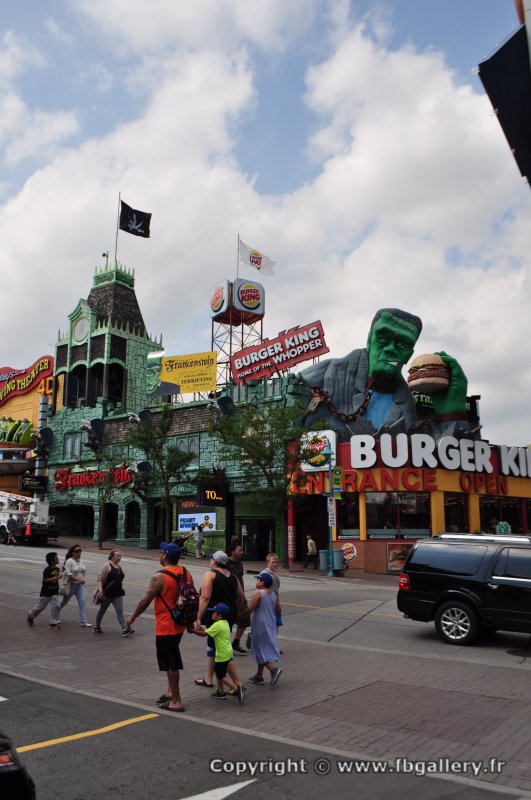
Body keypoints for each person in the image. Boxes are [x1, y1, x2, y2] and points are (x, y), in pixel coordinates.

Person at [300, 308, 470, 442]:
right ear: (369, 341)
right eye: (383, 338)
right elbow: (277, 411)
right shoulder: (325, 375)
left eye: (402, 343)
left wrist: (451, 414)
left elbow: (442, 460)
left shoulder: (408, 404)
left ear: (409, 355)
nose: (390, 349)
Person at [126, 542, 194, 713]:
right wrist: (190, 624)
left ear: (165, 556)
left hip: (166, 625)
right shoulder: (185, 573)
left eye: (161, 552)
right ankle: (171, 692)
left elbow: (145, 600)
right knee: (171, 659)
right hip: (179, 624)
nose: (159, 555)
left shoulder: (159, 577)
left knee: (171, 663)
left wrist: (133, 617)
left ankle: (176, 701)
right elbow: (189, 598)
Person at [194, 550, 245, 689]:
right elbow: (241, 596)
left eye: (211, 559)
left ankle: (237, 684)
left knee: (218, 646)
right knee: (216, 643)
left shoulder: (210, 574)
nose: (210, 561)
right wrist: (238, 610)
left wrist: (198, 617)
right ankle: (209, 677)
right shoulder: (233, 576)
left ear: (215, 562)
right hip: (230, 614)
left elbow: (205, 597)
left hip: (216, 614)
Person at [193, 602, 244, 704]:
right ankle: (222, 691)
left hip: (222, 654)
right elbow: (208, 630)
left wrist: (192, 630)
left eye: (214, 613)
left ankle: (236, 688)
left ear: (219, 615)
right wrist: (201, 628)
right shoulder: (224, 623)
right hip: (227, 651)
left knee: (220, 674)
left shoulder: (217, 625)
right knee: (220, 671)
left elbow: (204, 634)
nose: (212, 614)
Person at [243, 572, 282, 686]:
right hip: (270, 624)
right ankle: (259, 676)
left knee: (258, 649)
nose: (257, 581)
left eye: (258, 579)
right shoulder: (273, 595)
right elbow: (279, 609)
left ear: (262, 582)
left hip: (260, 625)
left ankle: (273, 670)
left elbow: (250, 609)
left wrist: (239, 616)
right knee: (262, 648)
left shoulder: (258, 593)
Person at [93, 549, 134, 637]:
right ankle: (97, 627)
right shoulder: (107, 566)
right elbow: (99, 579)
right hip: (107, 594)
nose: (119, 557)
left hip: (118, 594)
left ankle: (125, 629)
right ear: (112, 557)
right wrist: (100, 590)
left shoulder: (119, 567)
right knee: (102, 611)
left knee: (120, 612)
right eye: (117, 556)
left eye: (120, 556)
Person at [27, 552, 62, 629]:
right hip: (46, 592)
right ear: (52, 561)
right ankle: (31, 615)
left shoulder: (57, 569)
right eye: (56, 558)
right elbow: (45, 580)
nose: (58, 559)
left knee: (56, 606)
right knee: (41, 607)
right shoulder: (47, 569)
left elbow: (56, 580)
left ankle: (53, 623)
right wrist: (57, 578)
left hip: (55, 591)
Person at [60, 545, 92, 626]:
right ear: (72, 552)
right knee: (64, 602)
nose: (79, 553)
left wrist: (81, 579)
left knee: (83, 602)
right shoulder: (69, 561)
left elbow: (82, 572)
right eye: (77, 551)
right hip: (71, 585)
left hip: (79, 586)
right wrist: (79, 579)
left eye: (80, 551)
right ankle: (55, 616)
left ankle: (84, 621)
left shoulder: (81, 561)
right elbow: (68, 573)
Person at [226, 540, 248, 655]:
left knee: (244, 619)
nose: (242, 552)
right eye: (240, 550)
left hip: (241, 597)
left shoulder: (240, 563)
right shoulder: (226, 564)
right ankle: (226, 645)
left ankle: (236, 642)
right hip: (230, 597)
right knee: (227, 623)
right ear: (232, 551)